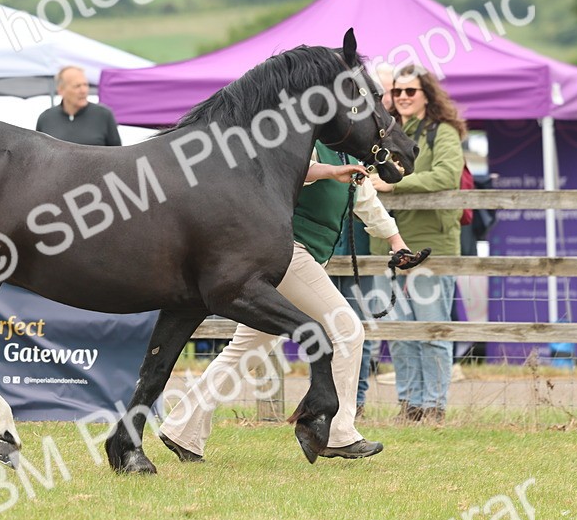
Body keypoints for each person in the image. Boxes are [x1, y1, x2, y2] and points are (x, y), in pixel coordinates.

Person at [158, 143, 416, 463]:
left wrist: (396, 242)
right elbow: (291, 169)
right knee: (346, 330)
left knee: (247, 349)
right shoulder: (311, 140)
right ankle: (336, 432)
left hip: (302, 257)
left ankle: (182, 428)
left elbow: (366, 201)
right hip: (289, 254)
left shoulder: (348, 154)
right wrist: (331, 172)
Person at [369, 63, 465, 425]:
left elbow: (446, 175)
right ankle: (409, 406)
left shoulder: (443, 132)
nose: (403, 98)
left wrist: (396, 184)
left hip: (429, 241)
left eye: (411, 91)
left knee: (431, 327)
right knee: (398, 331)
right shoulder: (382, 131)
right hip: (387, 243)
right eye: (398, 91)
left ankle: (434, 407)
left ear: (427, 94)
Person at [332, 62, 396, 420]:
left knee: (358, 324)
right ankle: (329, 399)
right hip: (330, 241)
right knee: (327, 325)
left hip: (360, 241)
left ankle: (353, 401)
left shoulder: (383, 134)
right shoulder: (346, 130)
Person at [35, 66, 121, 146]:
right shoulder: (45, 118)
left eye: (85, 85)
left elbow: (119, 156)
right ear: (61, 90)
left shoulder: (104, 115)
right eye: (77, 86)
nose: (83, 90)